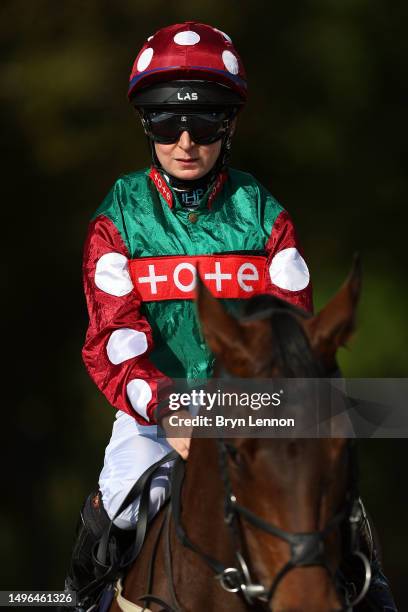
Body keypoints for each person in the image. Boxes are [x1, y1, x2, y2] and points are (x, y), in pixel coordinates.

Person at [65, 21, 396, 612]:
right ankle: (80, 599)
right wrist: (174, 410)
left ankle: (369, 593)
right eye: (168, 121)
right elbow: (113, 338)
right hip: (153, 413)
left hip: (255, 408)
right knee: (118, 500)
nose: (186, 139)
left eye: (206, 120)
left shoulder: (265, 216)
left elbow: (292, 334)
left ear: (230, 124)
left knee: (336, 497)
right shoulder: (115, 219)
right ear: (147, 124)